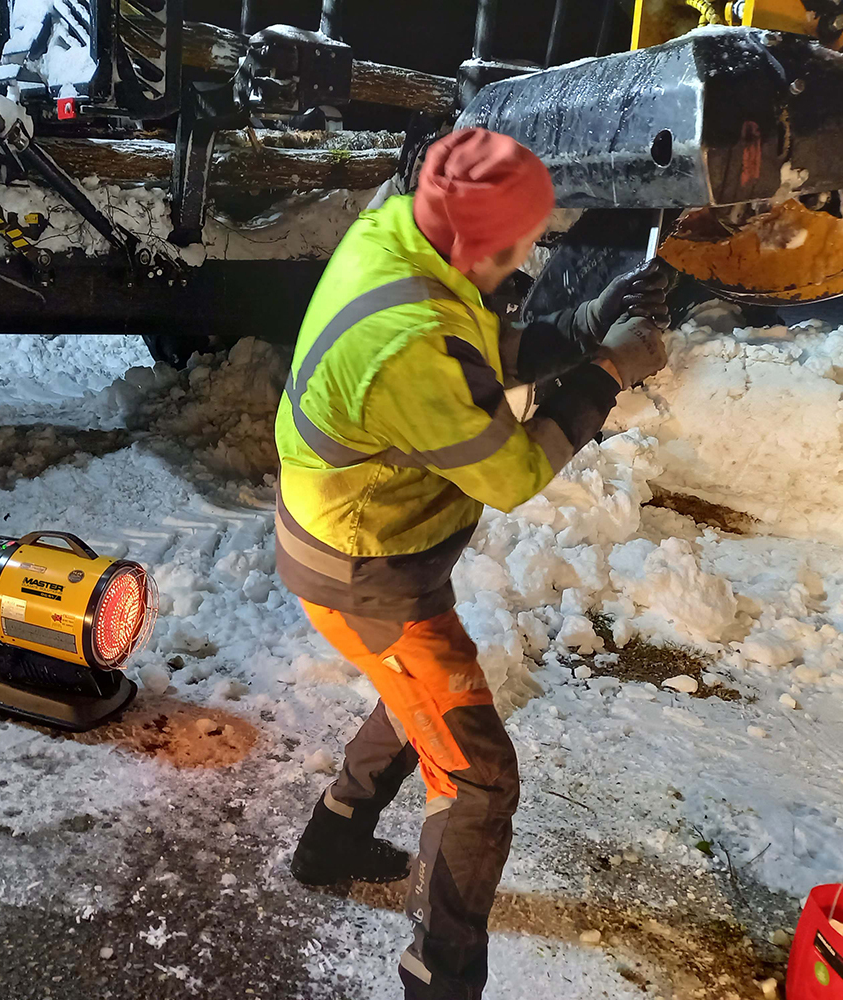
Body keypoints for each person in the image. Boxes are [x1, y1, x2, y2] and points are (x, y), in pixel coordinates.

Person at [274, 127, 669, 1000]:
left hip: (363, 546)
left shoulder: (400, 234)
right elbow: (512, 471)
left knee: (417, 698)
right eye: (525, 246)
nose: (529, 259)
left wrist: (586, 324)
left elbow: (478, 352)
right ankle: (438, 976)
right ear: (483, 246)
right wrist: (609, 370)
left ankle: (330, 846)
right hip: (364, 570)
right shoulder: (407, 341)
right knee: (479, 778)